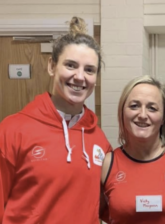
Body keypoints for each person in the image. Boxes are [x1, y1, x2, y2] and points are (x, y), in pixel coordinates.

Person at [0, 17, 112, 224]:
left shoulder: (99, 140)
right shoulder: (12, 130)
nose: (80, 77)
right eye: (70, 65)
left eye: (89, 70)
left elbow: (112, 204)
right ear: (52, 66)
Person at [101, 75, 165, 224]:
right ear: (122, 112)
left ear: (163, 117)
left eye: (152, 108)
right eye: (134, 106)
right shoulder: (107, 164)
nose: (142, 115)